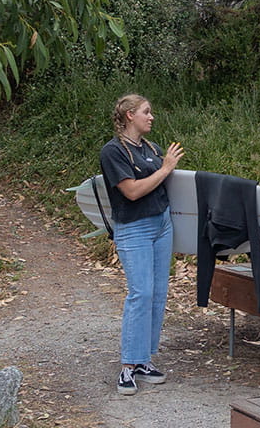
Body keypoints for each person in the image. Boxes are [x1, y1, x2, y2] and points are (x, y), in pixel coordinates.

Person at [99, 94, 184, 396]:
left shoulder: (151, 148)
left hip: (161, 225)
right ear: (129, 115)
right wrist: (165, 168)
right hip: (133, 229)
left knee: (158, 293)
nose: (152, 117)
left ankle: (144, 359)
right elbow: (132, 192)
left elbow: (166, 188)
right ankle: (127, 367)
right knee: (141, 292)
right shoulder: (113, 152)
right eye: (147, 112)